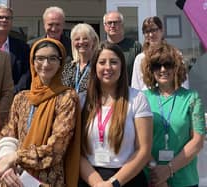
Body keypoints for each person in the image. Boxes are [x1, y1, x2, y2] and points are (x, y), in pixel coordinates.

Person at [0, 38, 81, 187]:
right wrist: (5, 163)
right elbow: (7, 135)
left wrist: (16, 156)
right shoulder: (21, 98)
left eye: (52, 58)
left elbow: (56, 148)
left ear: (61, 62)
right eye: (40, 58)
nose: (46, 64)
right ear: (32, 61)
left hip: (47, 181)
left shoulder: (66, 97)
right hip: (15, 178)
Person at [79, 41, 153, 187]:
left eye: (113, 62)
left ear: (121, 66)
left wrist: (113, 183)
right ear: (94, 67)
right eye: (102, 62)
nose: (108, 67)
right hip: (90, 179)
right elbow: (77, 151)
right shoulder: (81, 100)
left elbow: (143, 150)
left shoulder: (137, 98)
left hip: (127, 179)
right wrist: (97, 183)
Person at [142, 42, 205, 187]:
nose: (163, 69)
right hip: (151, 180)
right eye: (157, 65)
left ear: (176, 67)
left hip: (185, 181)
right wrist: (156, 173)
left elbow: (198, 142)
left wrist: (168, 169)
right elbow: (137, 140)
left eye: (168, 64)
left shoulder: (192, 98)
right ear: (150, 70)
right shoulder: (142, 98)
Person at [131, 16, 189, 91]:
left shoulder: (175, 54)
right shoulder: (140, 58)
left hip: (172, 98)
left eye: (154, 30)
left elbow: (183, 82)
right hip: (147, 100)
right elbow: (136, 87)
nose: (151, 35)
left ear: (161, 31)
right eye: (147, 32)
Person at [0, 4, 31, 93]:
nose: (4, 20)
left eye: (8, 18)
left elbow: (27, 74)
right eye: (0, 17)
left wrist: (11, 94)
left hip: (13, 99)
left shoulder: (23, 48)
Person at [62, 23, 99, 107]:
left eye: (85, 38)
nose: (81, 42)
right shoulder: (68, 67)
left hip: (92, 112)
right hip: (70, 112)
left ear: (93, 41)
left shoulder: (99, 66)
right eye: (77, 39)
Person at [103, 11, 142, 85]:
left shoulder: (135, 46)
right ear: (104, 26)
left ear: (122, 25)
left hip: (130, 92)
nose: (112, 25)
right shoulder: (101, 48)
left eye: (116, 22)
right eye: (109, 23)